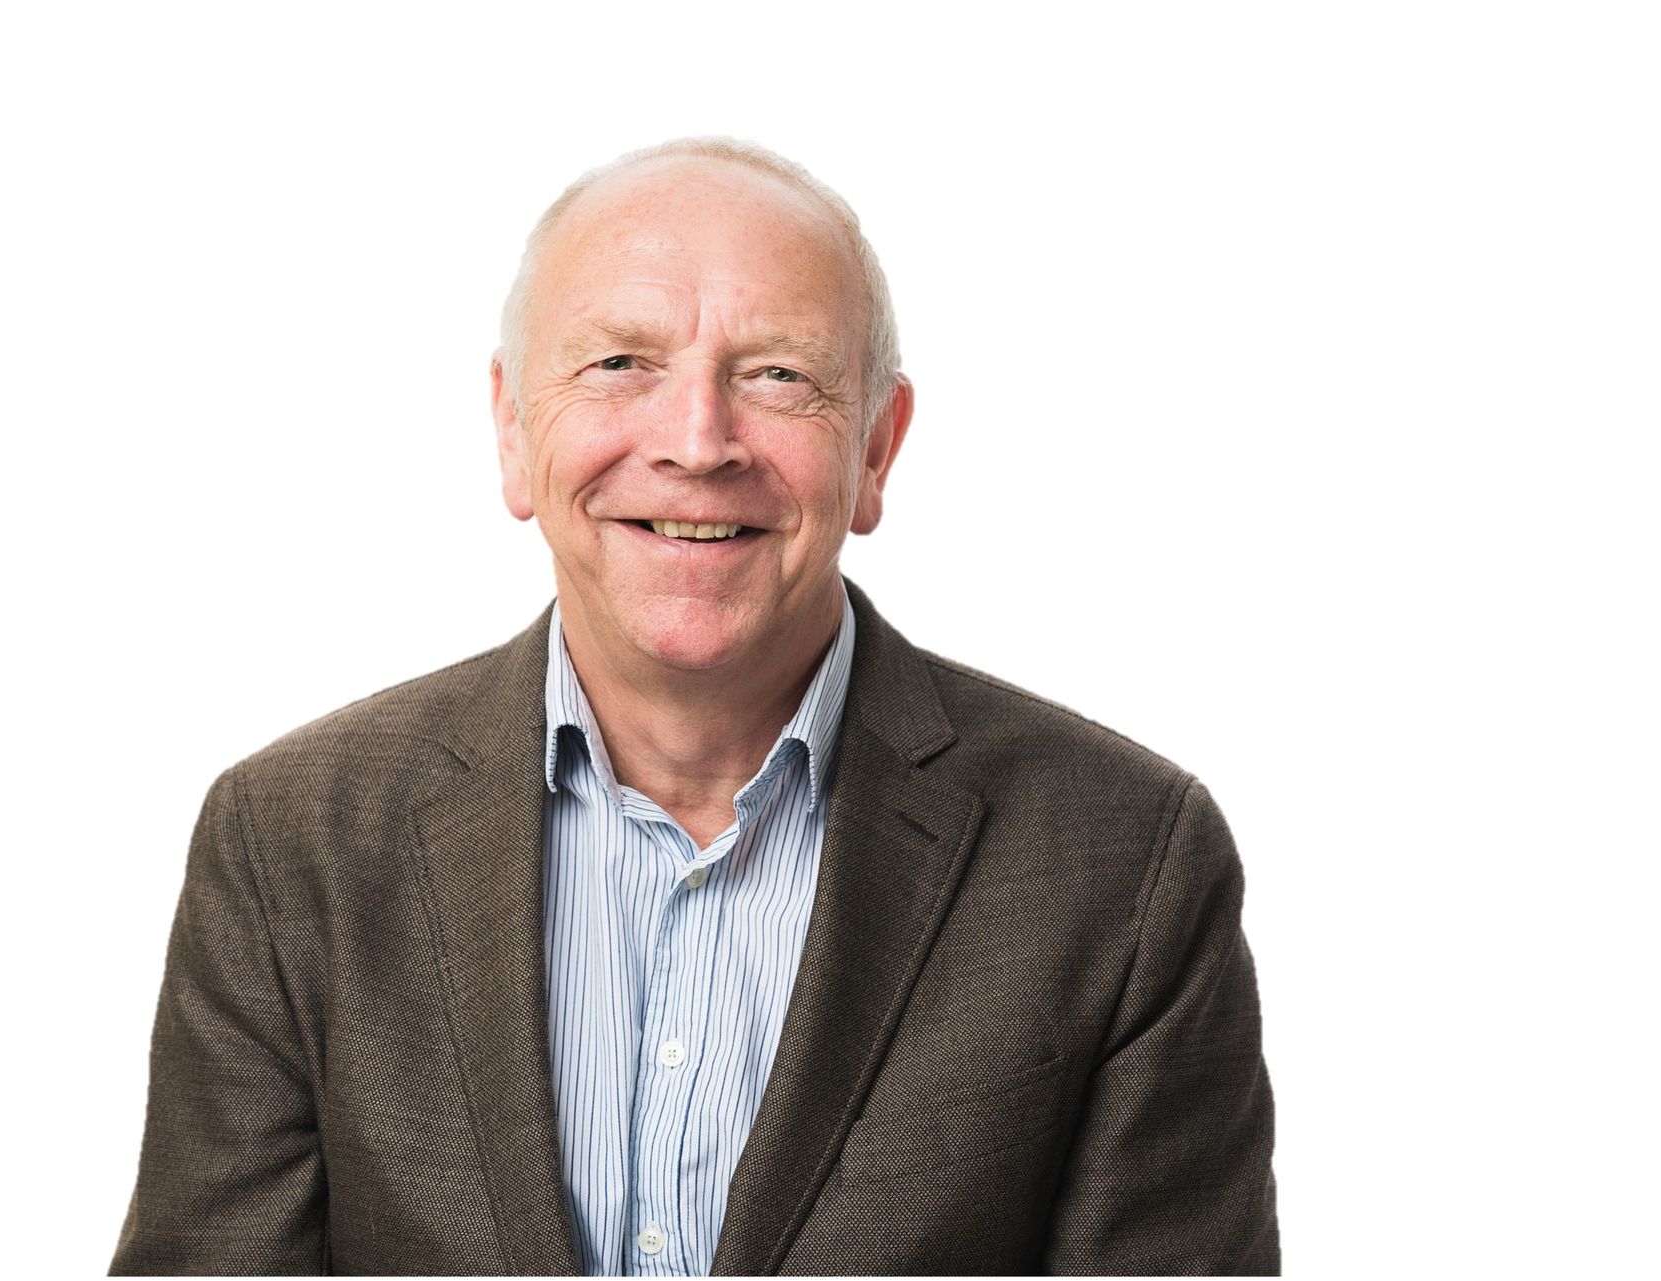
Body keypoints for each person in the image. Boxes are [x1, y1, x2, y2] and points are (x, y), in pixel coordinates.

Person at [108, 136, 1280, 1277]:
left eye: (778, 375)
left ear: (876, 448)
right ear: (513, 427)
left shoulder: (1122, 861)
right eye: (621, 363)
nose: (697, 443)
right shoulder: (290, 843)